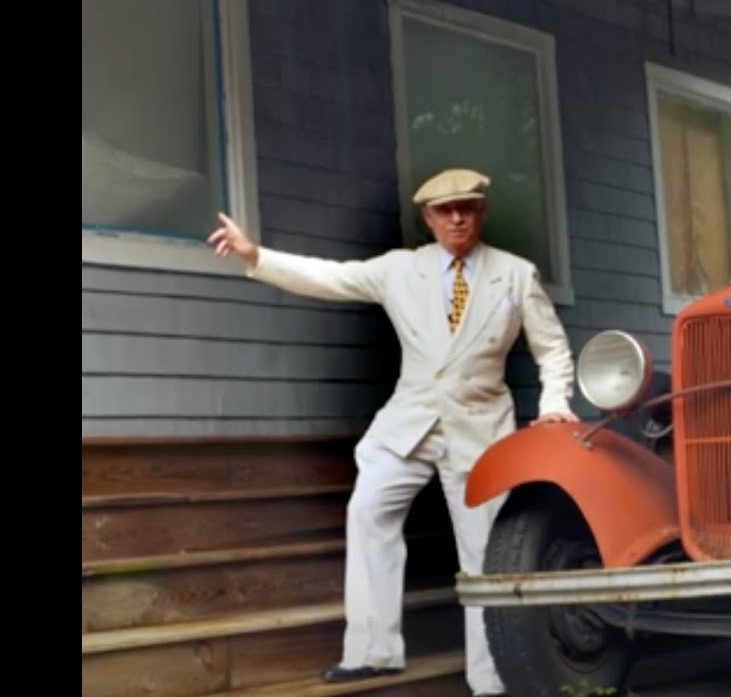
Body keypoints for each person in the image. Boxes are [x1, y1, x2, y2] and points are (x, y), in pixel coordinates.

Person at [206, 167, 578, 697]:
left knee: (483, 553)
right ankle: (372, 652)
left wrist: (555, 402)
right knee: (368, 512)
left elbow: (552, 348)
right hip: (408, 424)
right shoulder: (401, 269)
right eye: (444, 211)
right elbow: (330, 277)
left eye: (466, 208)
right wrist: (254, 255)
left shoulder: (515, 274)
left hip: (478, 430)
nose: (456, 218)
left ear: (480, 213)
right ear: (427, 218)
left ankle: (491, 676)